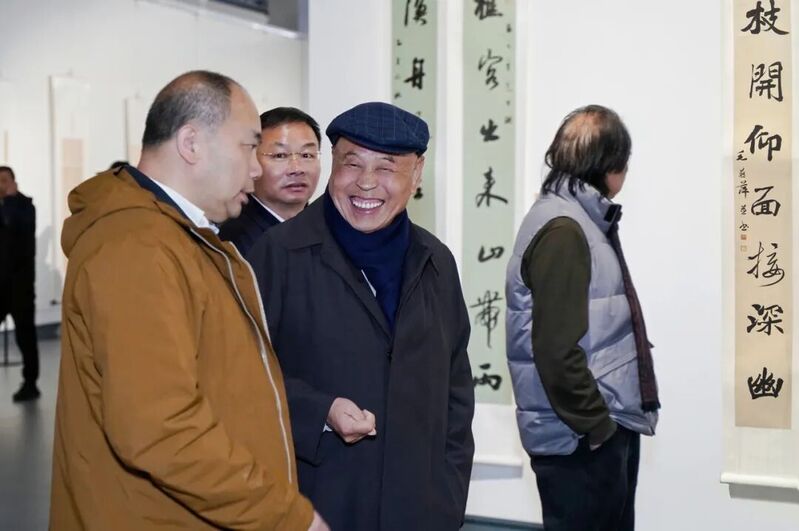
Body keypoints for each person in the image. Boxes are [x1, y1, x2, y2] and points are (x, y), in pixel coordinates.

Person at [50, 71, 327, 531]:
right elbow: (160, 428)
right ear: (192, 143)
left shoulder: (180, 238)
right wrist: (288, 517)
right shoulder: (138, 248)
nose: (257, 169)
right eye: (249, 147)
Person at [247, 102, 475, 531]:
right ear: (333, 165)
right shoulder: (279, 254)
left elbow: (456, 392)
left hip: (419, 510)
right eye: (352, 163)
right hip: (315, 507)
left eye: (387, 167)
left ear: (417, 173)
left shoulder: (435, 261)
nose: (367, 182)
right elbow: (241, 377)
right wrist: (321, 410)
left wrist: (448, 499)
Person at [505, 105, 660, 531]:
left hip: (586, 431)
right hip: (580, 439)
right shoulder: (565, 230)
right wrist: (598, 427)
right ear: (609, 166)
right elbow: (555, 350)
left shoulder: (572, 219)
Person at [219, 107, 321, 256]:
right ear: (251, 160)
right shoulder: (229, 240)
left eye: (307, 155)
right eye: (280, 155)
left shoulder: (329, 228)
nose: (297, 169)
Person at [0, 165, 40, 402]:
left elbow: (13, 224)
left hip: (20, 286)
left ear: (13, 182)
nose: (1, 185)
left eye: (4, 180)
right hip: (0, 286)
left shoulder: (25, 206)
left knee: (25, 336)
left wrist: (11, 200)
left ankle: (30, 383)